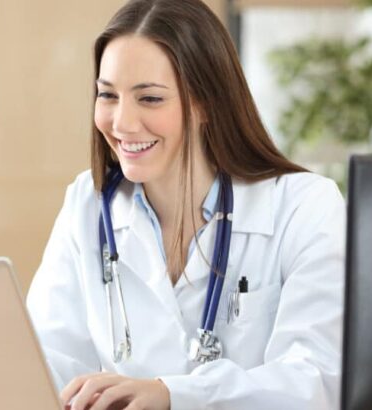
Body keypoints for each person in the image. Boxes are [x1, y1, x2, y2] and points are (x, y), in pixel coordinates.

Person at [25, 0, 345, 409]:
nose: (121, 123)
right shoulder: (88, 204)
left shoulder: (304, 207)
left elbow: (315, 381)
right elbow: (46, 365)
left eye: (150, 99)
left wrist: (174, 395)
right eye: (108, 95)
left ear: (206, 102)